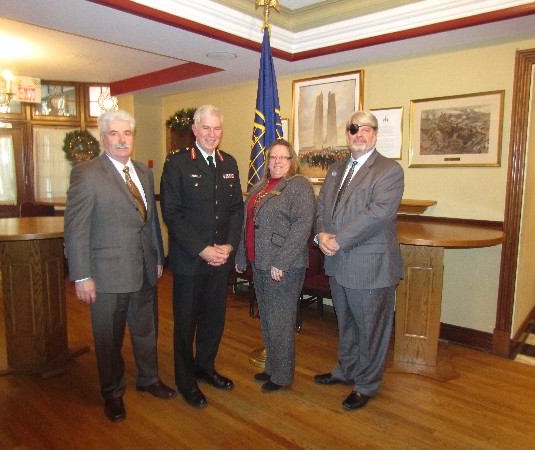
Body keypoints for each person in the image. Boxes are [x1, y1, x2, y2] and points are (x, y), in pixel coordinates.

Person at [64, 110, 175, 423]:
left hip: (143, 269)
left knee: (146, 329)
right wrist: (82, 275)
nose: (122, 139)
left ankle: (149, 379)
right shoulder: (87, 174)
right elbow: (76, 228)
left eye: (127, 133)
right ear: (103, 139)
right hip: (106, 274)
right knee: (108, 338)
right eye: (114, 133)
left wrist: (156, 257)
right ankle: (112, 392)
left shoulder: (142, 171)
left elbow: (149, 221)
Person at [313, 110, 404, 411]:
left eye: (366, 130)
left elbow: (378, 214)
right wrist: (320, 235)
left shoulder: (389, 171)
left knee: (371, 330)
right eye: (354, 130)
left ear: (375, 135)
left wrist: (337, 240)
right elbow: (322, 206)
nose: (359, 135)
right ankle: (346, 371)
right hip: (338, 263)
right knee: (347, 323)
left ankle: (366, 384)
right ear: (348, 135)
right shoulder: (337, 167)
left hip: (370, 266)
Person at [160, 104, 243, 408]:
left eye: (217, 128)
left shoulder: (229, 163)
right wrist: (203, 249)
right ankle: (186, 380)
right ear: (195, 129)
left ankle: (205, 367)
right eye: (205, 128)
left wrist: (229, 246)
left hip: (220, 261)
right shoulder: (178, 164)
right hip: (190, 261)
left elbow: (236, 210)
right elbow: (172, 213)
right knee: (186, 323)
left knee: (214, 320)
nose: (211, 134)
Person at [234, 139, 315, 393]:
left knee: (280, 320)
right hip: (260, 262)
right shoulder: (260, 185)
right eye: (273, 157)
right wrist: (241, 256)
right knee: (267, 318)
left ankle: (282, 376)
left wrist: (282, 262)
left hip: (283, 265)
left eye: (284, 157)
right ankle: (272, 366)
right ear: (267, 161)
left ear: (292, 161)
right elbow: (246, 222)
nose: (277, 161)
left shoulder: (298, 185)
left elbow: (302, 225)